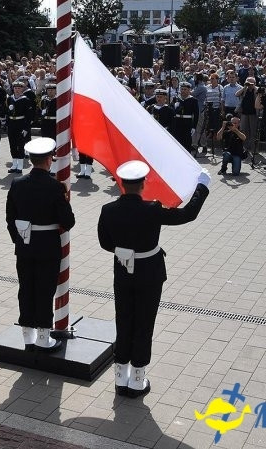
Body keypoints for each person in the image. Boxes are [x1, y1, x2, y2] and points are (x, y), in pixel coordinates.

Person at [98, 161, 211, 398]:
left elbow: (105, 243)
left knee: (124, 319)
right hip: (149, 271)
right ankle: (137, 380)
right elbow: (187, 215)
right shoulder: (151, 209)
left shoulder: (108, 210)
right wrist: (202, 187)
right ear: (143, 184)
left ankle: (120, 377)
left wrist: (123, 250)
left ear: (120, 183)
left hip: (122, 270)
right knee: (144, 322)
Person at [5, 137, 75, 352]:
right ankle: (44, 337)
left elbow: (10, 218)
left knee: (26, 289)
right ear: (48, 160)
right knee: (45, 290)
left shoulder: (17, 183)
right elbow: (68, 221)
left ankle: (27, 336)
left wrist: (19, 240)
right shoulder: (55, 186)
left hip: (25, 246)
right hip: (47, 246)